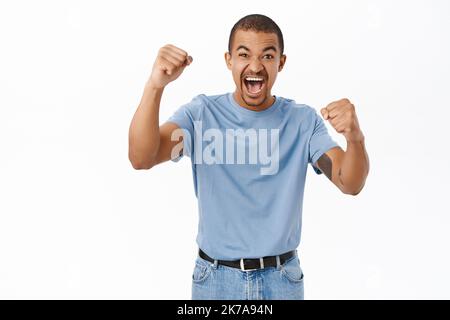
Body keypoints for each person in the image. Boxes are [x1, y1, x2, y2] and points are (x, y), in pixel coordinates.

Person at [128, 14, 370, 300]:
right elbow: (142, 157)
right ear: (229, 60)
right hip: (215, 280)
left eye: (267, 56)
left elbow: (349, 182)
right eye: (244, 55)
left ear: (281, 62)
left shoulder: (302, 122)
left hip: (282, 280)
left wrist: (354, 138)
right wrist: (155, 86)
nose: (255, 66)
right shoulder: (201, 116)